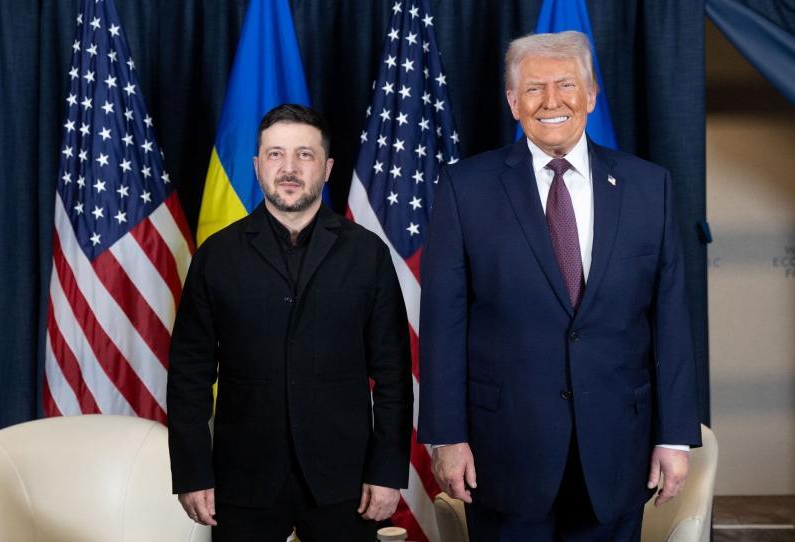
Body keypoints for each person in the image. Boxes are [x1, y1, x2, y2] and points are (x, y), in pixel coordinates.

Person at [418, 31, 701, 541]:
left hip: (618, 451)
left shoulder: (648, 186)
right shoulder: (465, 189)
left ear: (591, 95)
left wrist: (675, 436)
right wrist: (446, 437)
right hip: (503, 454)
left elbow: (671, 319)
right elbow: (443, 322)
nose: (551, 101)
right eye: (533, 88)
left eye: (566, 85)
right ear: (513, 101)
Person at [167, 104, 413, 542]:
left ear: (327, 167)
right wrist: (192, 472)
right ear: (257, 165)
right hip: (242, 480)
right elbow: (189, 374)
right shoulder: (216, 256)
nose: (289, 168)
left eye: (304, 154)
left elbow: (393, 374)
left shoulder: (367, 254)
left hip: (346, 482)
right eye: (276, 154)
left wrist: (387, 471)